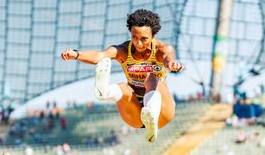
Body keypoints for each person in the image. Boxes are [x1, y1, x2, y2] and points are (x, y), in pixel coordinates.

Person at [60, 9, 184, 143]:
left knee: (152, 77)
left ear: (153, 36)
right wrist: (76, 54)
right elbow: (98, 57)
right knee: (123, 87)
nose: (139, 43)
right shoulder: (124, 50)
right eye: (134, 37)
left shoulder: (162, 49)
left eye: (144, 39)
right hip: (135, 114)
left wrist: (171, 64)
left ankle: (152, 117)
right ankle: (105, 92)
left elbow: (168, 58)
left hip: (162, 112)